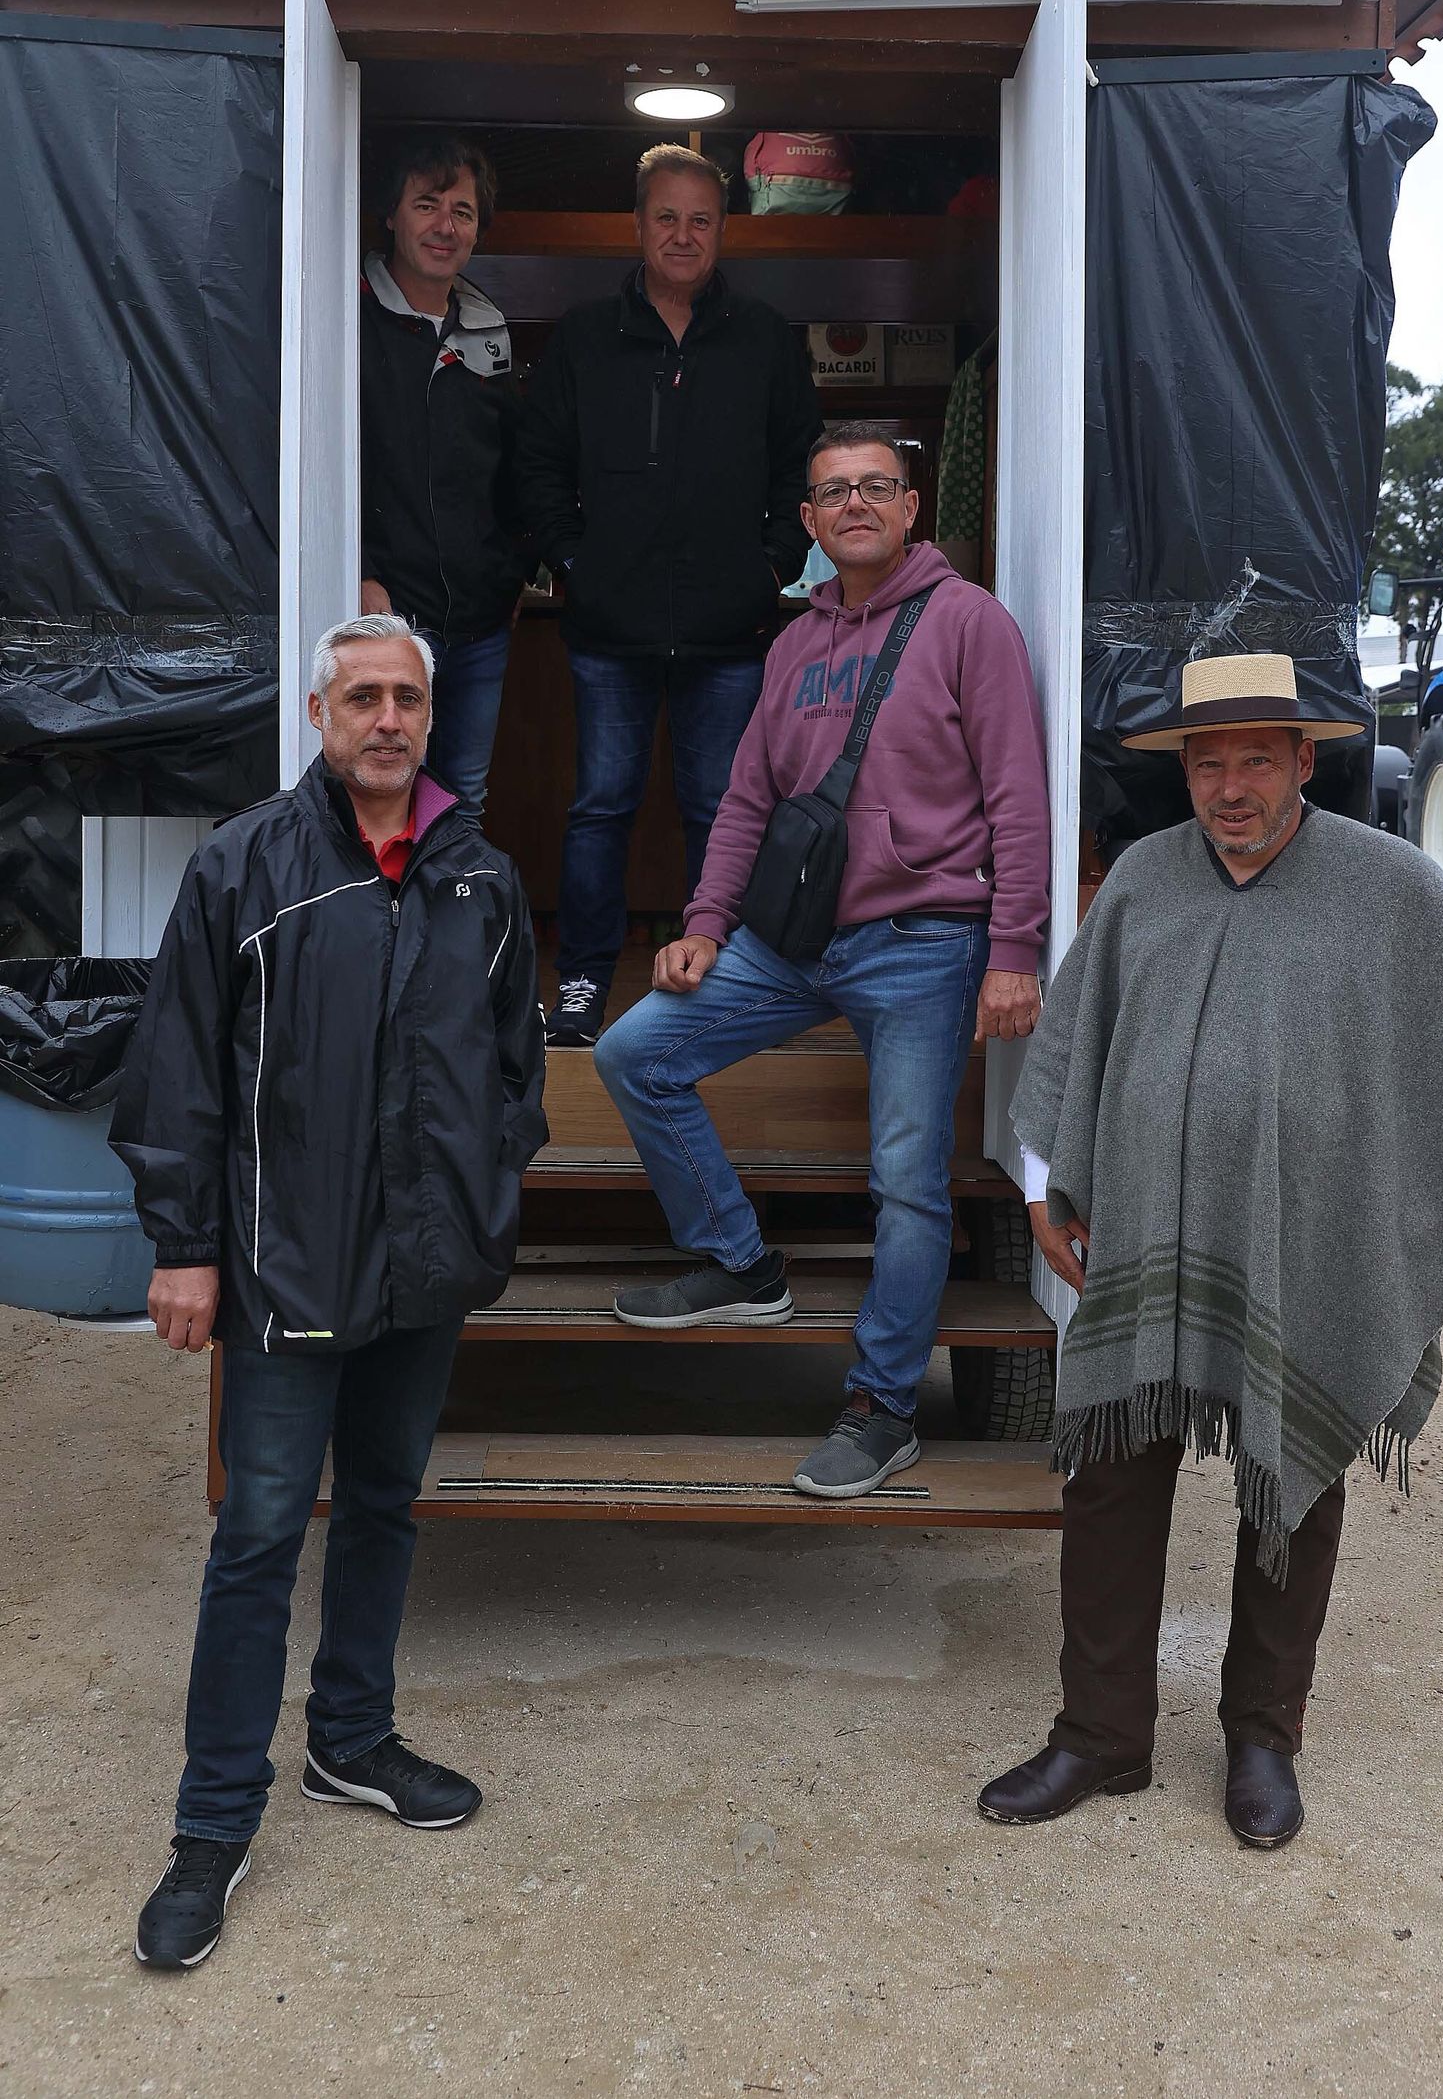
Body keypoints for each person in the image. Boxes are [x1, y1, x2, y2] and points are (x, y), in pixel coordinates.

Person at [978, 651, 1443, 1849]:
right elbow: (1078, 1043)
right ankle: (1099, 1734)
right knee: (1108, 1470)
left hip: (1305, 1243)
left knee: (1288, 1469)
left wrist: (1427, 1202)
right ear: (1183, 769)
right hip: (1140, 1228)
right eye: (1209, 759)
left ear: (1308, 760)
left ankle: (1262, 1736)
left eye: (1258, 756)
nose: (1231, 783)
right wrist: (1048, 1186)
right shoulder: (1143, 880)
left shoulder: (1394, 889)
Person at [110, 614, 546, 1971]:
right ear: (318, 714)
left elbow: (516, 1070)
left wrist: (484, 1196)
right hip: (285, 1260)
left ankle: (351, 1742)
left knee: (382, 1506)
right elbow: (178, 1069)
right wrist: (184, 1245)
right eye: (362, 695)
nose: (388, 718)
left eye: (408, 696)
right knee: (254, 1538)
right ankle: (212, 1822)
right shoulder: (249, 866)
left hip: (423, 1267)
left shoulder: (480, 875)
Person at [595, 424, 1051, 1498]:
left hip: (923, 943)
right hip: (791, 942)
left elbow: (1017, 799)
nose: (853, 504)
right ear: (806, 521)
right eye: (831, 491)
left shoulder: (967, 623)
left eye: (873, 488)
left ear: (909, 508)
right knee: (634, 1053)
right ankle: (743, 1262)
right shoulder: (793, 644)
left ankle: (881, 1404)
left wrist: (1014, 949)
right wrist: (705, 919)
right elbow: (749, 796)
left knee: (905, 1180)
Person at [525, 143, 822, 1045]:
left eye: (701, 219)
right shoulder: (583, 335)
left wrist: (769, 567)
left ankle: (718, 973)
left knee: (721, 810)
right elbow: (537, 466)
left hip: (731, 629)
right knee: (599, 806)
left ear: (724, 230)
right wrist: (575, 564)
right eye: (667, 217)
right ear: (638, 226)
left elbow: (797, 469)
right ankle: (580, 984)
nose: (683, 234)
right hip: (606, 627)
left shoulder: (767, 337)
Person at [360, 133, 533, 816]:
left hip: (481, 623)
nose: (444, 225)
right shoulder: (346, 318)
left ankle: (447, 927)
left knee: (462, 803)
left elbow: (514, 466)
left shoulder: (489, 330)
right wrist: (360, 568)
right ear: (391, 215)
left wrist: (514, 568)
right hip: (389, 616)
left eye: (461, 211)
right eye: (426, 205)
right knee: (383, 798)